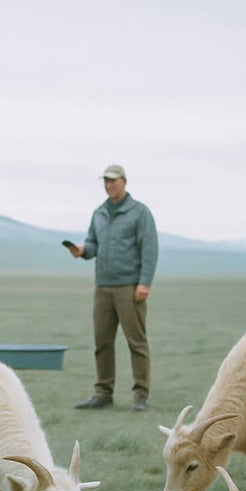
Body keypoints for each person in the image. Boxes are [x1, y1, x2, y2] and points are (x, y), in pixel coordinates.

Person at [67, 164, 158, 412]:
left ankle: (141, 395)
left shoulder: (140, 213)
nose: (109, 185)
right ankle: (103, 393)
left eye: (113, 181)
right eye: (105, 181)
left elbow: (149, 250)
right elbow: (92, 244)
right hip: (103, 287)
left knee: (136, 342)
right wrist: (82, 251)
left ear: (124, 182)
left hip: (130, 287)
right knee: (102, 342)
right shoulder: (99, 213)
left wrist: (144, 282)